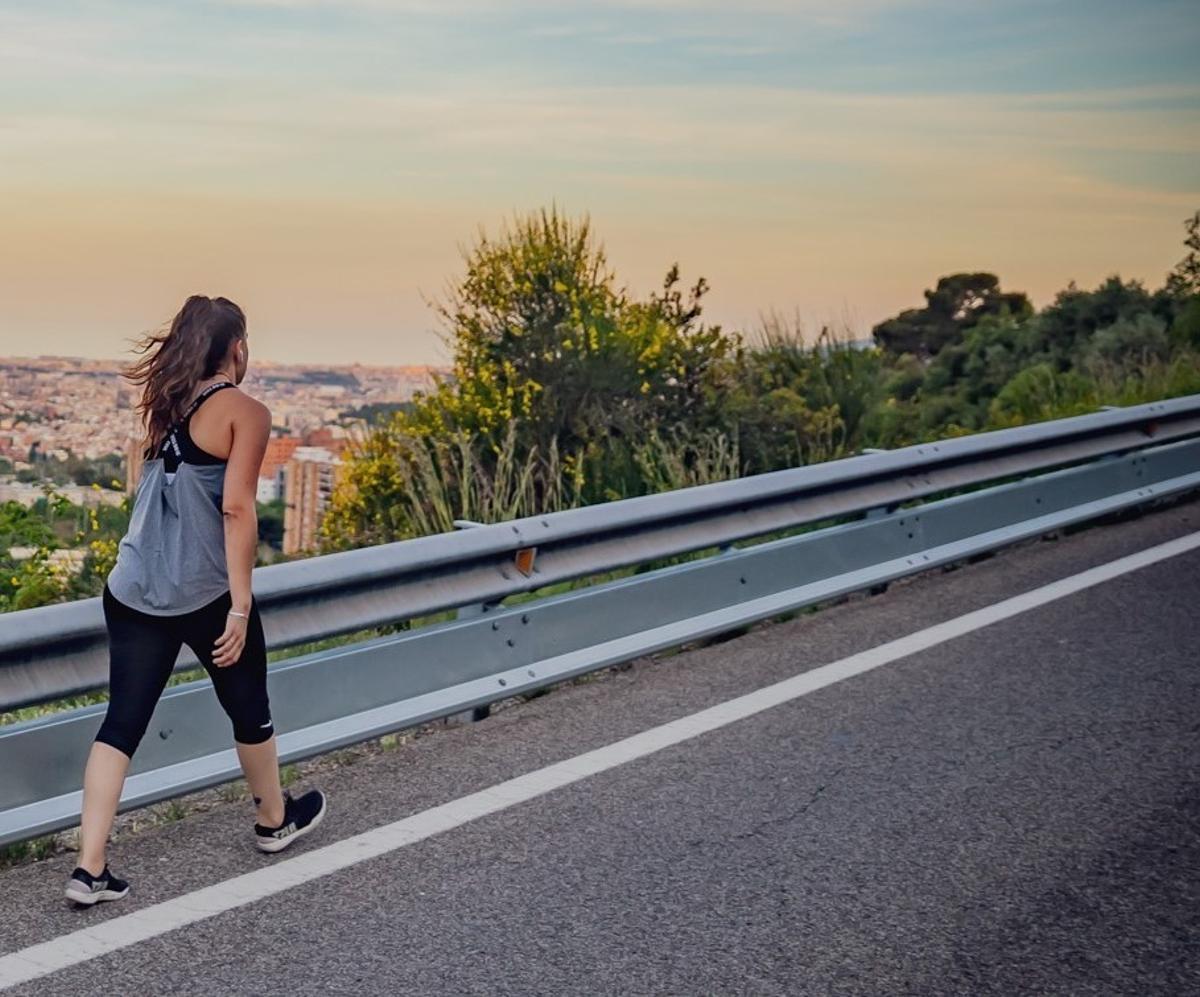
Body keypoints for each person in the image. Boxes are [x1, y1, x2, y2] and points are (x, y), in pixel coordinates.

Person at [65, 295, 326, 907]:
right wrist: (240, 604)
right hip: (204, 592)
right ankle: (272, 821)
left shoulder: (169, 401)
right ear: (236, 348)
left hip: (132, 589)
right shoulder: (246, 411)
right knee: (248, 707)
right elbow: (236, 508)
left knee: (120, 724)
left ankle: (89, 868)